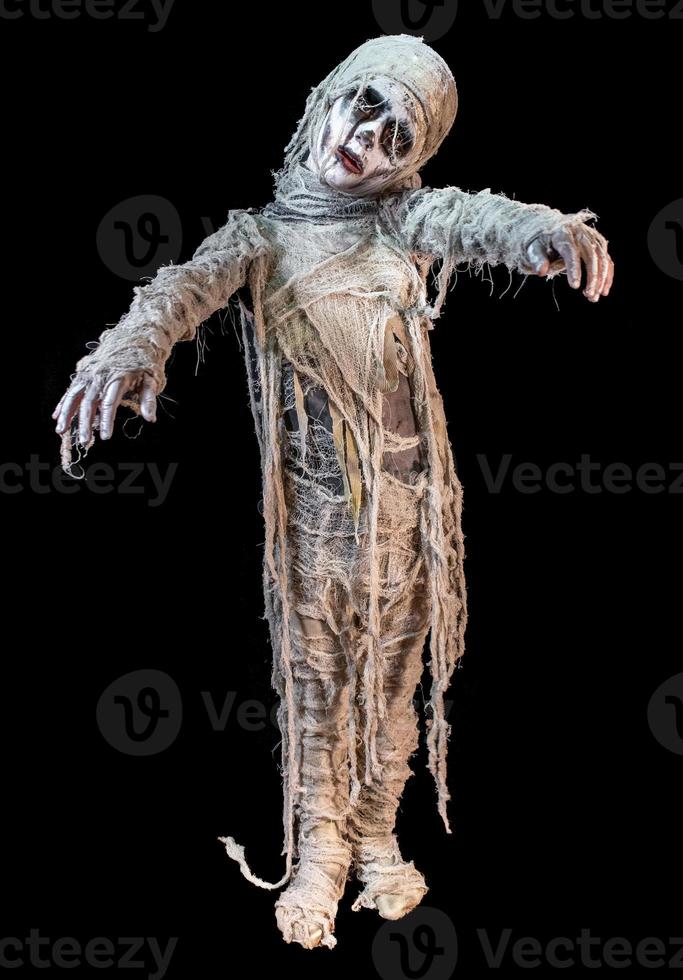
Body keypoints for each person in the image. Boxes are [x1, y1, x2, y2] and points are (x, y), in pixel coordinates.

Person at [52, 34, 614, 950]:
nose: (370, 138)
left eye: (400, 134)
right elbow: (180, 292)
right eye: (364, 105)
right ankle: (318, 850)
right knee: (318, 678)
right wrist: (128, 348)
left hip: (415, 509)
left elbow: (473, 219)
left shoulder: (400, 219)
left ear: (414, 158)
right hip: (315, 518)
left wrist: (544, 231)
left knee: (392, 678)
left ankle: (378, 833)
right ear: (326, 97)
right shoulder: (260, 238)